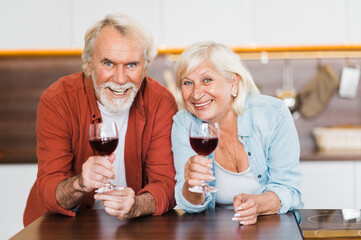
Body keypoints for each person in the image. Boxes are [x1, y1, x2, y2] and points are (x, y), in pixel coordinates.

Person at [23, 13, 178, 226]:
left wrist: (136, 206)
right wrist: (80, 183)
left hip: (133, 226)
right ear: (88, 65)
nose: (121, 78)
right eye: (109, 63)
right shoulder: (58, 100)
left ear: (145, 67)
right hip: (63, 226)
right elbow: (50, 187)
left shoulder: (161, 102)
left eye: (131, 65)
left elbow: (166, 184)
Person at [171, 41, 303, 225]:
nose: (196, 93)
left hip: (271, 226)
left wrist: (258, 204)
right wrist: (192, 186)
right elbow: (189, 205)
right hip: (213, 231)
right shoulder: (183, 124)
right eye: (187, 83)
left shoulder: (273, 114)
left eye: (207, 80)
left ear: (233, 83)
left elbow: (288, 189)